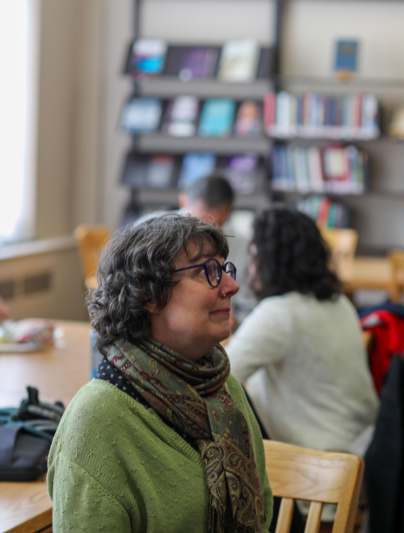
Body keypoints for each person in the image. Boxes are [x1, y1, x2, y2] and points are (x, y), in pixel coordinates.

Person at [48, 213, 272, 532]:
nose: (232, 286)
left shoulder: (224, 390)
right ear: (149, 294)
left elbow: (262, 513)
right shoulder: (98, 418)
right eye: (206, 271)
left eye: (224, 269)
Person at [227, 206, 378, 454]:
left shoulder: (278, 314)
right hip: (362, 443)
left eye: (254, 257)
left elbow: (221, 378)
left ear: (268, 261)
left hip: (320, 462)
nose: (250, 268)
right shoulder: (338, 301)